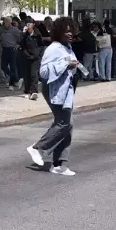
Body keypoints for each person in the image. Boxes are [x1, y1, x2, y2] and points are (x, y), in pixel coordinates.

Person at [27, 17, 82, 176]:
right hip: (54, 90)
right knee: (64, 122)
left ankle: (59, 164)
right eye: (66, 31)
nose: (70, 34)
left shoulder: (67, 47)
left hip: (66, 89)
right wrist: (66, 64)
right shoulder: (54, 48)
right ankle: (38, 148)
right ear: (58, 32)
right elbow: (43, 72)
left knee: (68, 124)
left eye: (72, 30)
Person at [19, 18, 44, 100]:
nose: (28, 25)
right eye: (27, 23)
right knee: (27, 75)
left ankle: (34, 92)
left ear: (33, 24)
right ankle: (27, 91)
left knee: (34, 74)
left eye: (30, 23)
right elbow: (21, 45)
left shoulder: (37, 34)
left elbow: (41, 46)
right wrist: (23, 33)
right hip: (26, 56)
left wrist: (39, 55)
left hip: (35, 57)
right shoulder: (24, 34)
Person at [0, 17, 21, 87]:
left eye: (7, 21)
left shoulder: (15, 30)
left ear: (10, 22)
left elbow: (21, 38)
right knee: (3, 66)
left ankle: (12, 83)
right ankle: (15, 78)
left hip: (12, 49)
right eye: (5, 22)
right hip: (5, 49)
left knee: (13, 66)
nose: (6, 23)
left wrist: (18, 45)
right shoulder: (1, 29)